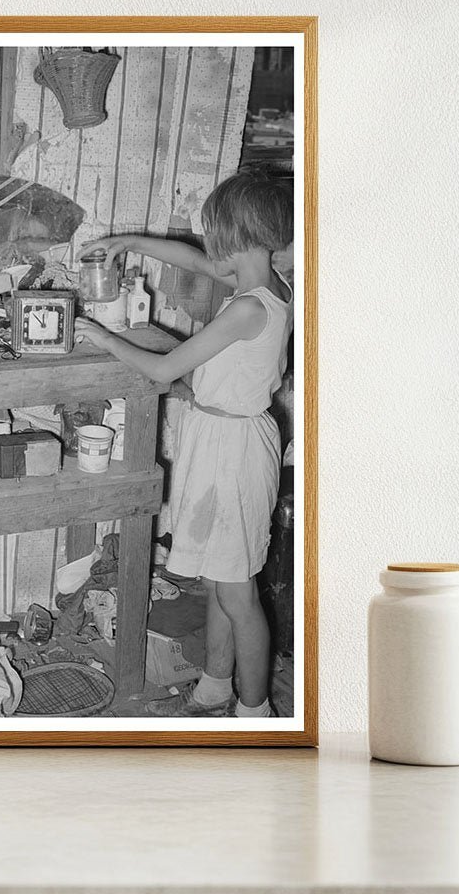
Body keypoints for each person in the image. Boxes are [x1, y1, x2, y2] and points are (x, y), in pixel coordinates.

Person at [74, 170, 293, 719]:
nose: (209, 244)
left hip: (235, 449)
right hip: (221, 435)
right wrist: (127, 242)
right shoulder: (265, 283)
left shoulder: (249, 309)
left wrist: (102, 336)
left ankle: (255, 711)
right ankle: (215, 687)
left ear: (235, 237)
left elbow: (166, 367)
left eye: (214, 231)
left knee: (238, 594)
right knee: (221, 580)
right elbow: (193, 260)